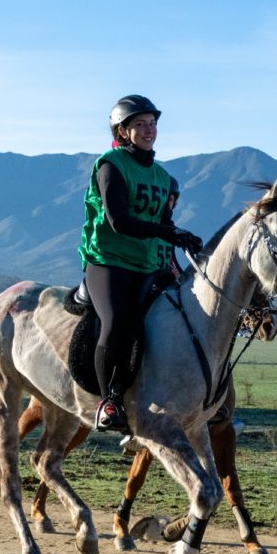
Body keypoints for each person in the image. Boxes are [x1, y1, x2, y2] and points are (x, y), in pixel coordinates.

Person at [77, 94, 203, 433]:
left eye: (152, 124)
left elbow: (161, 225)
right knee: (117, 322)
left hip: (146, 264)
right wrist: (168, 232)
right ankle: (108, 401)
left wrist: (181, 236)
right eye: (140, 125)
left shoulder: (162, 177)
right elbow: (119, 222)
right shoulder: (110, 165)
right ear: (123, 130)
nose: (149, 130)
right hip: (109, 260)